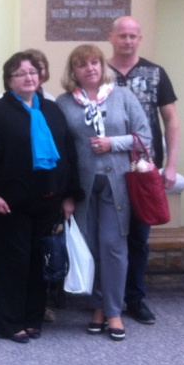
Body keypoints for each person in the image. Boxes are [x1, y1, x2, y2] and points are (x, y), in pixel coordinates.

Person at [0, 51, 81, 343]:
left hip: (48, 202)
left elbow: (68, 155)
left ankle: (33, 319)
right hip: (10, 205)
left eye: (33, 72)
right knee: (12, 264)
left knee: (38, 263)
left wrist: (69, 195)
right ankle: (10, 323)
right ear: (9, 80)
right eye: (21, 74)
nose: (29, 78)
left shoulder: (52, 110)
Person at [56, 44, 151, 341]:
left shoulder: (123, 97)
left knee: (113, 247)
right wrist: (65, 195)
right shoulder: (64, 103)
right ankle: (97, 308)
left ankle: (113, 312)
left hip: (117, 185)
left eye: (95, 62)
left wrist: (113, 143)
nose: (90, 68)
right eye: (82, 64)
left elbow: (144, 137)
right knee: (91, 248)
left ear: (102, 66)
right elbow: (61, 152)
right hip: (83, 188)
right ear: (74, 71)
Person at [107, 16, 180, 325]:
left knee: (138, 237)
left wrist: (171, 165)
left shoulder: (156, 73)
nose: (127, 40)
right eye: (122, 35)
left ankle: (134, 299)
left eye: (132, 36)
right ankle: (105, 299)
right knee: (108, 238)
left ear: (140, 39)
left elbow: (171, 120)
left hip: (144, 169)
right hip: (107, 167)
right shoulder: (98, 72)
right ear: (111, 37)